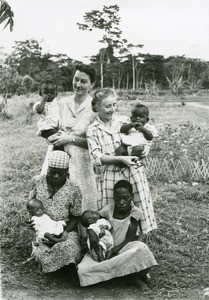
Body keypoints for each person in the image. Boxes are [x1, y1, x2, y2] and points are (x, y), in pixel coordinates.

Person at [87, 88, 157, 234]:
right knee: (112, 207)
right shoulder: (93, 129)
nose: (112, 109)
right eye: (107, 106)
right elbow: (97, 157)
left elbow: (145, 138)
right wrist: (120, 158)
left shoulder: (123, 121)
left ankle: (138, 240)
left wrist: (142, 151)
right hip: (111, 175)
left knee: (137, 204)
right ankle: (112, 239)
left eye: (114, 105)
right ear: (96, 107)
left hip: (133, 170)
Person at [77, 180, 158, 288]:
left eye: (125, 198)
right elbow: (91, 221)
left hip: (124, 249)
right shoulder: (108, 210)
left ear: (132, 197)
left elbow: (129, 239)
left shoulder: (135, 213)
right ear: (114, 197)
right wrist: (90, 231)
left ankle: (134, 277)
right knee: (82, 270)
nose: (121, 202)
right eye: (118, 198)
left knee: (142, 249)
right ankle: (124, 274)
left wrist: (113, 251)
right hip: (106, 250)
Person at [40, 64, 98, 213]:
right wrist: (51, 136)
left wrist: (70, 138)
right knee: (52, 196)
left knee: (80, 202)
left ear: (92, 85)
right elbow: (48, 126)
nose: (78, 84)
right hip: (56, 158)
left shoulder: (95, 108)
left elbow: (95, 143)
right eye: (76, 79)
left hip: (81, 164)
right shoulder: (61, 103)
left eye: (84, 81)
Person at [28, 150, 83, 273]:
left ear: (67, 172)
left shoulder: (73, 190)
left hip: (64, 229)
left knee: (69, 248)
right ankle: (53, 264)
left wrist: (65, 233)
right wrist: (33, 223)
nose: (56, 176)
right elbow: (30, 206)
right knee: (42, 248)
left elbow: (76, 216)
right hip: (43, 230)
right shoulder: (37, 181)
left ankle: (63, 267)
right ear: (48, 169)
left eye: (61, 173)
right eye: (53, 172)